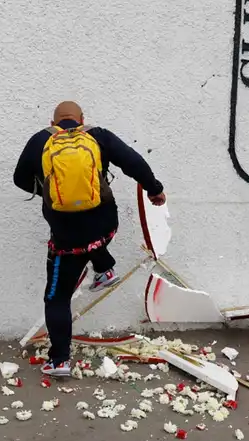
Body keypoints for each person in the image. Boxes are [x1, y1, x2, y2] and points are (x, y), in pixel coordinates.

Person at [13, 101, 166, 377]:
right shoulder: (98, 136)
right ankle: (104, 267)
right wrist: (154, 190)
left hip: (66, 240)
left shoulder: (40, 141)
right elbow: (134, 162)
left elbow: (19, 178)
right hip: (105, 226)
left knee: (57, 298)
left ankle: (59, 361)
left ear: (53, 120)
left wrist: (48, 188)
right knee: (95, 236)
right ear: (82, 119)